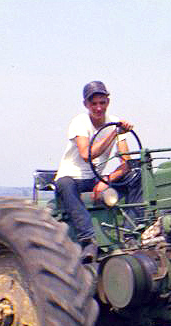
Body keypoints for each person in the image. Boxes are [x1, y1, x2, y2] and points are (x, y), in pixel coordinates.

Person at [54, 80, 134, 262]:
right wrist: (115, 132)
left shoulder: (115, 122)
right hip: (73, 178)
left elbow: (126, 163)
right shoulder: (80, 122)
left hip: (95, 178)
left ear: (108, 102)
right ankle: (88, 240)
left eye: (102, 103)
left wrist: (107, 180)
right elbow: (86, 154)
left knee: (135, 176)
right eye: (94, 103)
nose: (99, 108)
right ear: (86, 104)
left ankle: (132, 233)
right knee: (65, 183)